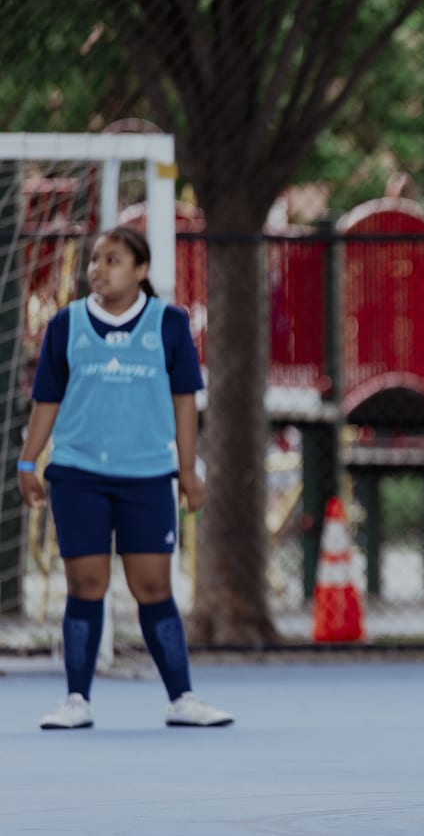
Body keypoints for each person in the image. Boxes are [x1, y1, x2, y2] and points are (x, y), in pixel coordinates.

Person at [18, 225, 234, 730]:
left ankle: (182, 698)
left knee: (153, 585)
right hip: (78, 474)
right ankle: (76, 699)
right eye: (94, 260)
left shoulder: (169, 324)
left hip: (146, 477)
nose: (98, 269)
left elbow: (185, 401)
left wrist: (187, 468)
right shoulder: (66, 325)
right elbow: (46, 401)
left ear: (140, 270)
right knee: (85, 584)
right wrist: (29, 462)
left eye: (112, 260)